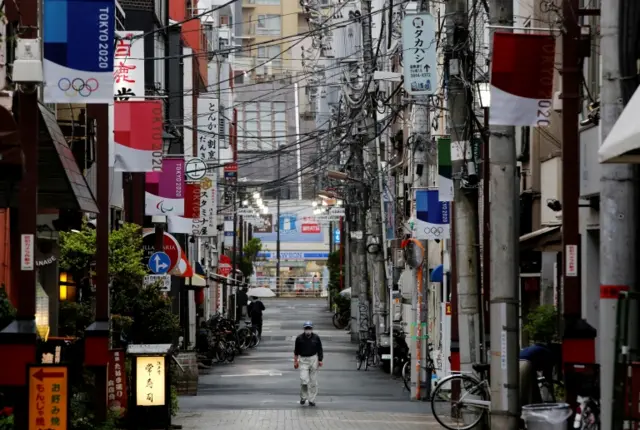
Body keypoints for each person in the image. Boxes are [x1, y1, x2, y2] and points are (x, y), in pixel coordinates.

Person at [294, 321, 323, 406]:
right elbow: (296, 351)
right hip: (303, 360)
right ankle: (303, 396)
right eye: (306, 328)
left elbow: (320, 349)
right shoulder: (299, 338)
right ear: (304, 329)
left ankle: (312, 399)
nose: (308, 330)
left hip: (313, 359)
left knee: (313, 381)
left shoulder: (316, 338)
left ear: (312, 329)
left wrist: (320, 360)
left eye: (309, 328)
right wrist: (295, 361)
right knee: (304, 380)